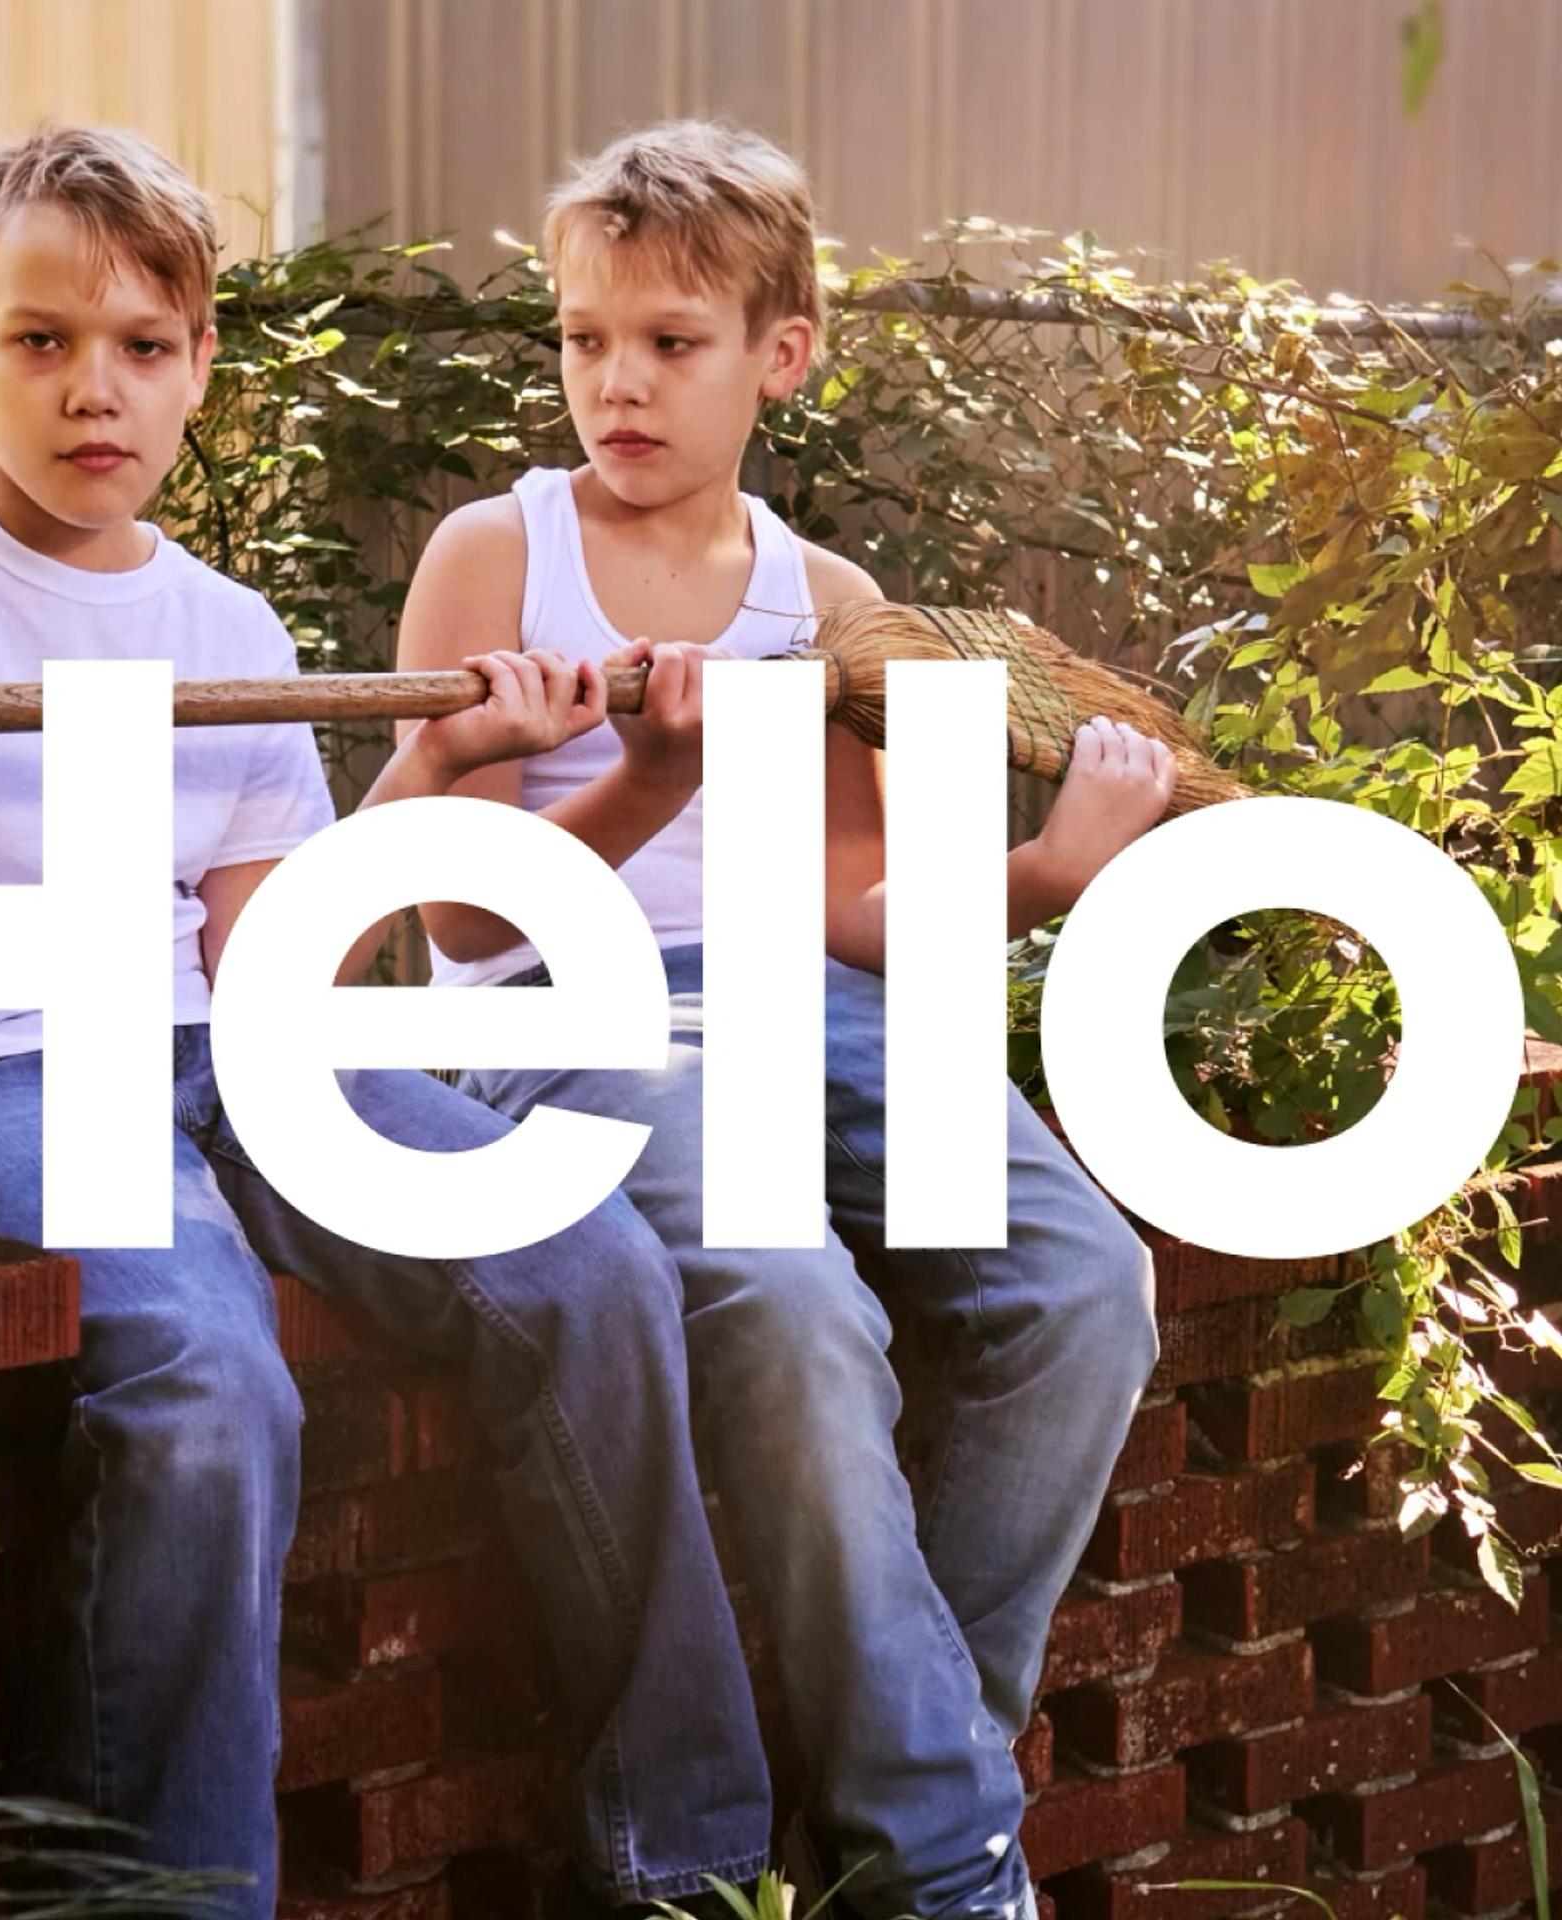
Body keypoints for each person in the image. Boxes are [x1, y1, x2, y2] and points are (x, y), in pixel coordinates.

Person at [0, 126, 783, 1919]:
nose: (93, 390)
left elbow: (282, 975)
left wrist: (446, 762)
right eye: (41, 343)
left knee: (586, 1259)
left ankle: (691, 1860)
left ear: (197, 366)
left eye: (141, 346)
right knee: (203, 1375)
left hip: (210, 1042)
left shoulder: (222, 625)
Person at [395, 119, 1169, 1920]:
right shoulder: (493, 557)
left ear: (780, 354)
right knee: (794, 1297)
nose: (620, 383)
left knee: (1084, 1288)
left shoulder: (820, 605)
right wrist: (647, 786)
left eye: (671, 342)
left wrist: (1050, 871)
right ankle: (943, 1867)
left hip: (796, 999)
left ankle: (896, 1801)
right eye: (588, 340)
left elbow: (847, 914)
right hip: (564, 1006)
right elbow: (442, 910)